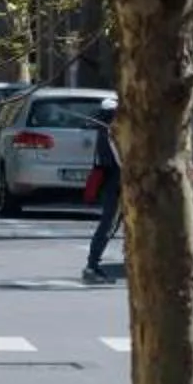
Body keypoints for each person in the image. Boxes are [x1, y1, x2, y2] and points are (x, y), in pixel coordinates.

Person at [85, 98, 123, 280]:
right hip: (117, 183)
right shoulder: (110, 134)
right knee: (109, 225)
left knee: (112, 225)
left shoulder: (110, 131)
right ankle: (92, 266)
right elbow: (120, 161)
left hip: (117, 182)